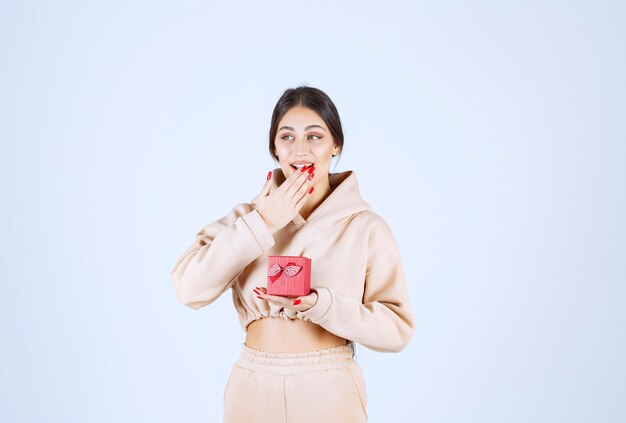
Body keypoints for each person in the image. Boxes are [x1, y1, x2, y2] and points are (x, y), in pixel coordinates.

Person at [171, 85, 415, 422]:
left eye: (314, 136)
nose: (300, 149)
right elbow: (188, 289)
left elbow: (396, 330)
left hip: (330, 388)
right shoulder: (246, 218)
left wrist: (321, 305)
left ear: (336, 146)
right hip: (253, 384)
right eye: (287, 137)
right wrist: (263, 222)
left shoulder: (366, 227)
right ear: (274, 148)